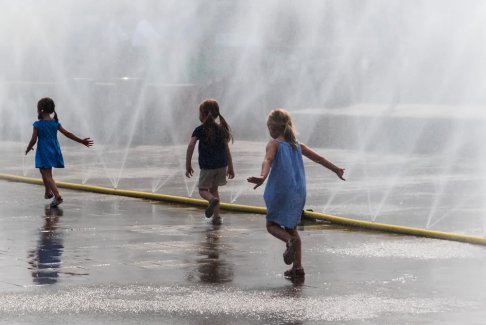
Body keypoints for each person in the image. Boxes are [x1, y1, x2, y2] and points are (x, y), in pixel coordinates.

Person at [247, 108, 345, 279]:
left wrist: (263, 177)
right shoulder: (298, 145)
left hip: (280, 190)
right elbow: (319, 159)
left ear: (272, 128)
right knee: (292, 228)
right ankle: (297, 268)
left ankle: (288, 241)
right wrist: (336, 169)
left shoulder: (274, 144)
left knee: (271, 225)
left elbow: (267, 160)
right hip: (298, 192)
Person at [25, 97, 93, 207]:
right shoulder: (55, 123)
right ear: (52, 110)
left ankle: (57, 196)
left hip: (44, 150)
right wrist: (81, 141)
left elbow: (34, 139)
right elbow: (67, 134)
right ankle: (48, 192)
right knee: (45, 172)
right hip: (53, 149)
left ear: (40, 110)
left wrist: (28, 148)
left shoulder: (37, 124)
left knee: (46, 174)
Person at [185, 99, 235, 225]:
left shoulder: (199, 130)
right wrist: (230, 167)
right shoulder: (221, 129)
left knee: (203, 190)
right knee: (214, 189)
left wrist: (188, 164)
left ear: (203, 114)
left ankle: (212, 200)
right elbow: (227, 149)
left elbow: (191, 145)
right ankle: (216, 218)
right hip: (221, 165)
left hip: (208, 166)